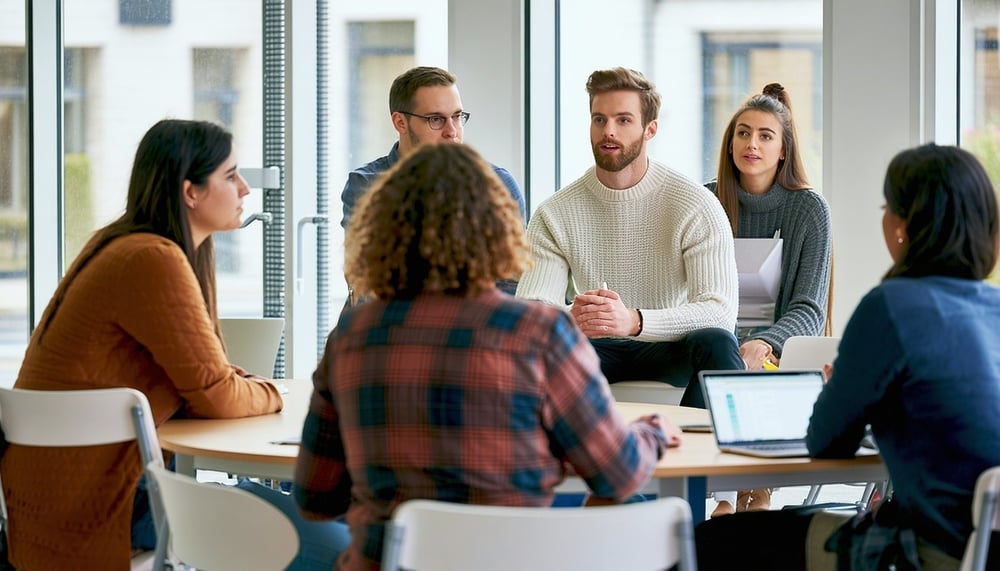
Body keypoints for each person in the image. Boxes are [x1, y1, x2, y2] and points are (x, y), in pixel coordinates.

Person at [294, 143, 678, 571]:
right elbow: (617, 473)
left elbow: (316, 497)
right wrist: (654, 432)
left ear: (384, 229)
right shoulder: (540, 333)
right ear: (496, 229)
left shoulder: (353, 334)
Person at [695, 143, 1000, 571]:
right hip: (981, 549)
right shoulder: (995, 306)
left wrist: (844, 388)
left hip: (925, 554)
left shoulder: (892, 307)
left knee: (711, 541)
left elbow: (825, 441)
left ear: (903, 225)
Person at [0, 119, 285, 569]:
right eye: (230, 176)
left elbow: (206, 382)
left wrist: (234, 386)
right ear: (190, 191)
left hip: (53, 495)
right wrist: (273, 393)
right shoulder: (153, 258)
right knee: (290, 520)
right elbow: (218, 395)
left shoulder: (124, 244)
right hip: (98, 501)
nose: (246, 189)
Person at [515, 67, 744, 409]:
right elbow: (530, 314)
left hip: (668, 344)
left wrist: (634, 321)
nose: (608, 131)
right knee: (531, 348)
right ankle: (565, 454)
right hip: (593, 347)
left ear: (650, 129)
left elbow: (719, 312)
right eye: (599, 119)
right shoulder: (556, 211)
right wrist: (571, 317)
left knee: (718, 343)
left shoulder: (695, 204)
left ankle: (701, 454)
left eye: (623, 120)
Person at [707, 83, 832, 515]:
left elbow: (809, 309)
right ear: (729, 144)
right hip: (713, 346)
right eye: (743, 133)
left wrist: (764, 342)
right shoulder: (705, 202)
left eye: (764, 135)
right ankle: (725, 497)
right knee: (720, 359)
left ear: (783, 149)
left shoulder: (808, 210)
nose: (751, 144)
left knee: (755, 370)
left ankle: (754, 493)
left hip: (773, 351)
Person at [340, 65, 526, 300]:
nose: (452, 131)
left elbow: (511, 283)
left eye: (457, 117)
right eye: (436, 119)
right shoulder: (368, 186)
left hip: (475, 326)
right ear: (400, 122)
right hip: (388, 324)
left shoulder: (497, 184)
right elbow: (366, 279)